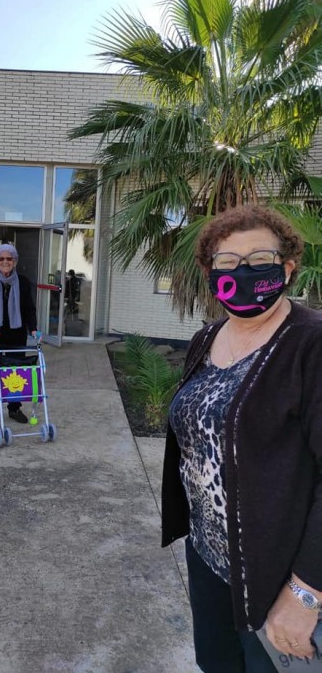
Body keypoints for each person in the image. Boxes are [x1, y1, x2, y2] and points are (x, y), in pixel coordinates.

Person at [161, 205, 322, 672]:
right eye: (227, 262)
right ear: (211, 274)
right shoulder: (207, 337)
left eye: (259, 259)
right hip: (208, 555)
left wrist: (305, 593)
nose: (243, 272)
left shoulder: (310, 344)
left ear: (287, 268)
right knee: (216, 664)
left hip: (276, 571)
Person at [0, 243, 37, 424]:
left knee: (15, 373)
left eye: (9, 258)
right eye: (1, 258)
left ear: (15, 261)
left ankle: (14, 408)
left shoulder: (23, 282)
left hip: (16, 336)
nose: (5, 262)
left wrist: (33, 329)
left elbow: (29, 309)